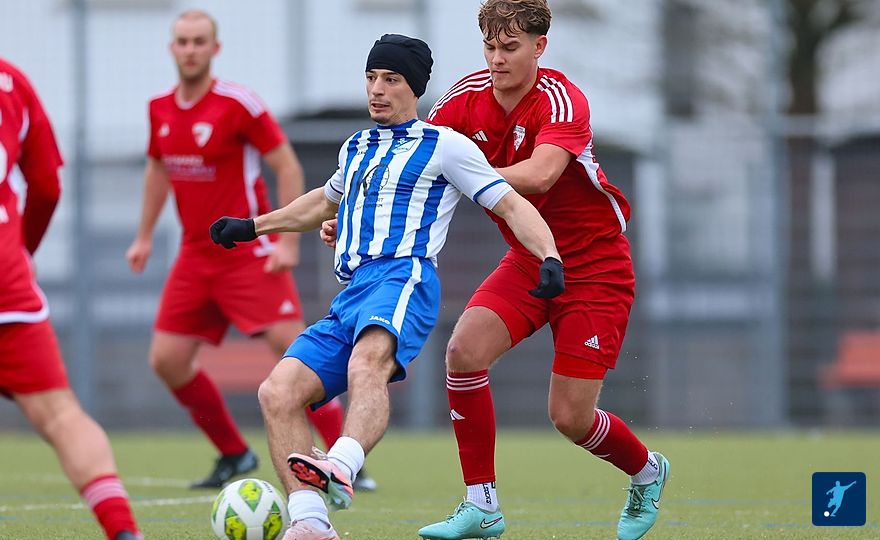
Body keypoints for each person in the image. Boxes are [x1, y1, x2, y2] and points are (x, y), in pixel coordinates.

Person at [209, 33, 565, 540]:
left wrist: (548, 254)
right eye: (371, 77)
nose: (377, 89)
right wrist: (253, 226)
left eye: (391, 79)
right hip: (352, 292)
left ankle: (342, 465)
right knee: (278, 392)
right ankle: (310, 522)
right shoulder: (356, 146)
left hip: (403, 278)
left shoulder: (446, 146)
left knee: (366, 365)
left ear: (414, 88)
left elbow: (509, 203)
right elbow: (324, 201)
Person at [409, 1, 670, 539]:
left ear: (539, 46)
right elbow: (414, 166)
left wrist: (467, 172)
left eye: (510, 47)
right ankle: (482, 505)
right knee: (463, 352)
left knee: (570, 417)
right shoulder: (461, 100)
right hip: (529, 259)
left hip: (595, 267)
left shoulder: (561, 98)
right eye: (489, 47)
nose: (497, 59)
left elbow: (542, 174)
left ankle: (647, 471)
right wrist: (349, 217)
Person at [126, 9, 374, 491]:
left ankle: (346, 462)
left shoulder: (239, 104)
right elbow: (157, 171)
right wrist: (143, 236)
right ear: (172, 48)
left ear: (214, 49)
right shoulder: (158, 108)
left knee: (298, 352)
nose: (190, 49)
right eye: (183, 41)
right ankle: (233, 453)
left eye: (199, 41)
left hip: (247, 254)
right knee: (167, 360)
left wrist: (285, 243)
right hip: (194, 257)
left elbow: (288, 167)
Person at [0, 1, 140, 539]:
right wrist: (20, 250)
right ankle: (124, 531)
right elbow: (46, 186)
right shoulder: (7, 79)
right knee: (61, 413)